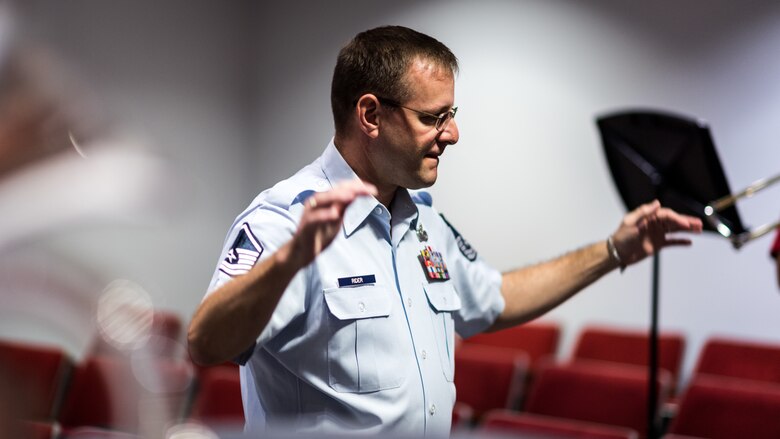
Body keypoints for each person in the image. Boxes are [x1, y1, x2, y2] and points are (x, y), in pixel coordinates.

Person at [187, 25, 702, 435]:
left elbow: (495, 299)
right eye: (434, 116)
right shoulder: (285, 218)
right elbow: (205, 344)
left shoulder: (422, 219)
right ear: (370, 114)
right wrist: (289, 261)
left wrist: (615, 249)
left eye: (451, 114)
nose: (452, 134)